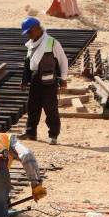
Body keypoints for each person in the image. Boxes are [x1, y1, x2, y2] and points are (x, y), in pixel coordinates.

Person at [20, 17, 68, 145]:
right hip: (35, 80)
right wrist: (24, 81)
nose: (28, 35)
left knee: (50, 109)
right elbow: (28, 64)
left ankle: (53, 135)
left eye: (29, 32)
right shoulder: (30, 44)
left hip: (49, 82)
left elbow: (63, 61)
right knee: (33, 108)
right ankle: (31, 133)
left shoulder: (52, 43)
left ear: (37, 28)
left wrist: (63, 78)